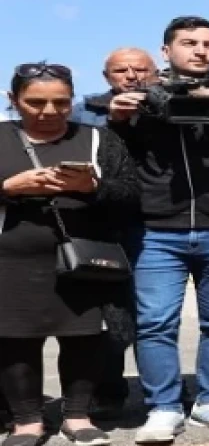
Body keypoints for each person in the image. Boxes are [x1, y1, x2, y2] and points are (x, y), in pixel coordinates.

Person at [108, 16, 209, 444]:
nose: (200, 50)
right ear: (166, 51)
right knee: (155, 323)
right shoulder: (138, 102)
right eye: (189, 42)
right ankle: (164, 407)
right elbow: (112, 156)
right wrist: (119, 119)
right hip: (157, 230)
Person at [0, 63, 139, 446]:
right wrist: (9, 187)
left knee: (83, 338)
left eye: (61, 103)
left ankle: (78, 416)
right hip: (10, 262)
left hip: (84, 260)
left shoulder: (99, 139)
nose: (48, 112)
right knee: (14, 340)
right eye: (36, 102)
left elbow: (131, 196)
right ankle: (25, 420)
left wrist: (92, 186)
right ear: (13, 100)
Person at [75, 47, 159, 417]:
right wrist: (112, 119)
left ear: (156, 72)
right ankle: (107, 389)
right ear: (106, 76)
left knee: (154, 315)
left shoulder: (170, 106)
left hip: (159, 222)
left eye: (139, 69)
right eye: (120, 70)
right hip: (106, 222)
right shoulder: (85, 110)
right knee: (109, 315)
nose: (130, 76)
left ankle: (162, 393)